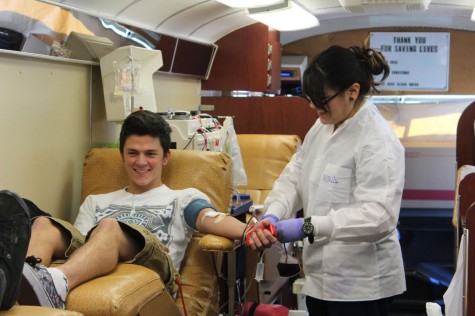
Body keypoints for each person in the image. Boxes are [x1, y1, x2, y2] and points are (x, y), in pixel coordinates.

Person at [1, 110, 248, 310]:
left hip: (151, 270)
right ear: (122, 155)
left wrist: (249, 230)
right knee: (43, 223)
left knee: (109, 227)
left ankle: (56, 283)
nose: (141, 162)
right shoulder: (96, 201)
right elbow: (77, 248)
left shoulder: (182, 197)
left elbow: (211, 219)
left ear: (165, 157)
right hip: (95, 267)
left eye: (150, 154)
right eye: (133, 153)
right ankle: (13, 289)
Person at [247, 45, 406, 316]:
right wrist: (273, 214)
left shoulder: (377, 140)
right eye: (309, 98)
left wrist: (308, 226)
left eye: (321, 99)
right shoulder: (323, 125)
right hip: (319, 278)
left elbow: (379, 217)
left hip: (361, 286)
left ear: (352, 92)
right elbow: (295, 174)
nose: (313, 106)